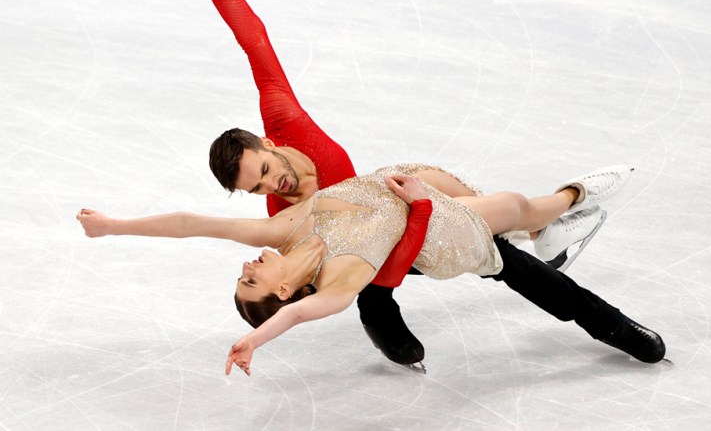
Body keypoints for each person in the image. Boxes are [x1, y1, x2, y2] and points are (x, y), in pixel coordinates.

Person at [166, 0, 607, 370]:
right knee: (382, 279)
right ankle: (395, 310)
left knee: (472, 206)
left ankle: (543, 226)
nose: (272, 186)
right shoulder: (286, 220)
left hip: (394, 205)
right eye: (257, 188)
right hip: (381, 250)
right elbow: (301, 286)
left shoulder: (285, 121)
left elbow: (254, 40)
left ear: (268, 143)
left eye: (264, 170)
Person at [77, 163, 664, 377]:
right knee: (514, 208)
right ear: (285, 288)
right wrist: (254, 339)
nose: (247, 264)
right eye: (251, 278)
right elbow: (299, 315)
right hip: (441, 234)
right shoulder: (338, 282)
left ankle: (553, 224)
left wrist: (114, 225)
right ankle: (574, 196)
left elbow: (191, 223)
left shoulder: (281, 230)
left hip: (407, 182)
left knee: (517, 222)